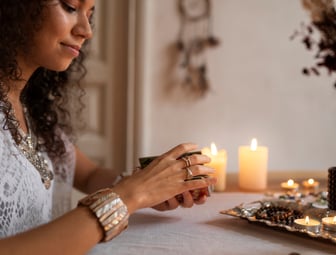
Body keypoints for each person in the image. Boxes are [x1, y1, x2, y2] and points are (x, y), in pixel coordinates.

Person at [0, 0, 216, 254]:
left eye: (89, 14)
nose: (86, 30)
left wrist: (150, 186)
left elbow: (90, 175)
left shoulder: (30, 107)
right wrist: (130, 196)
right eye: (70, 6)